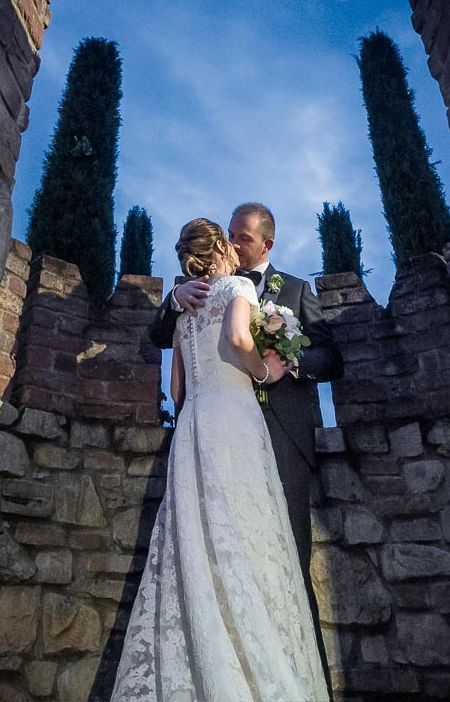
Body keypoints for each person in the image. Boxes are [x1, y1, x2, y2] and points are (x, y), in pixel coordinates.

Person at [110, 218, 331, 702]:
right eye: (228, 235)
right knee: (252, 551)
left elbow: (175, 389)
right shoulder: (205, 295)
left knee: (218, 544)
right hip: (237, 423)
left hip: (212, 427)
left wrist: (288, 363)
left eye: (244, 235)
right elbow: (234, 338)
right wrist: (258, 370)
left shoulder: (291, 288)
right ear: (219, 246)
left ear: (266, 241)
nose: (235, 242)